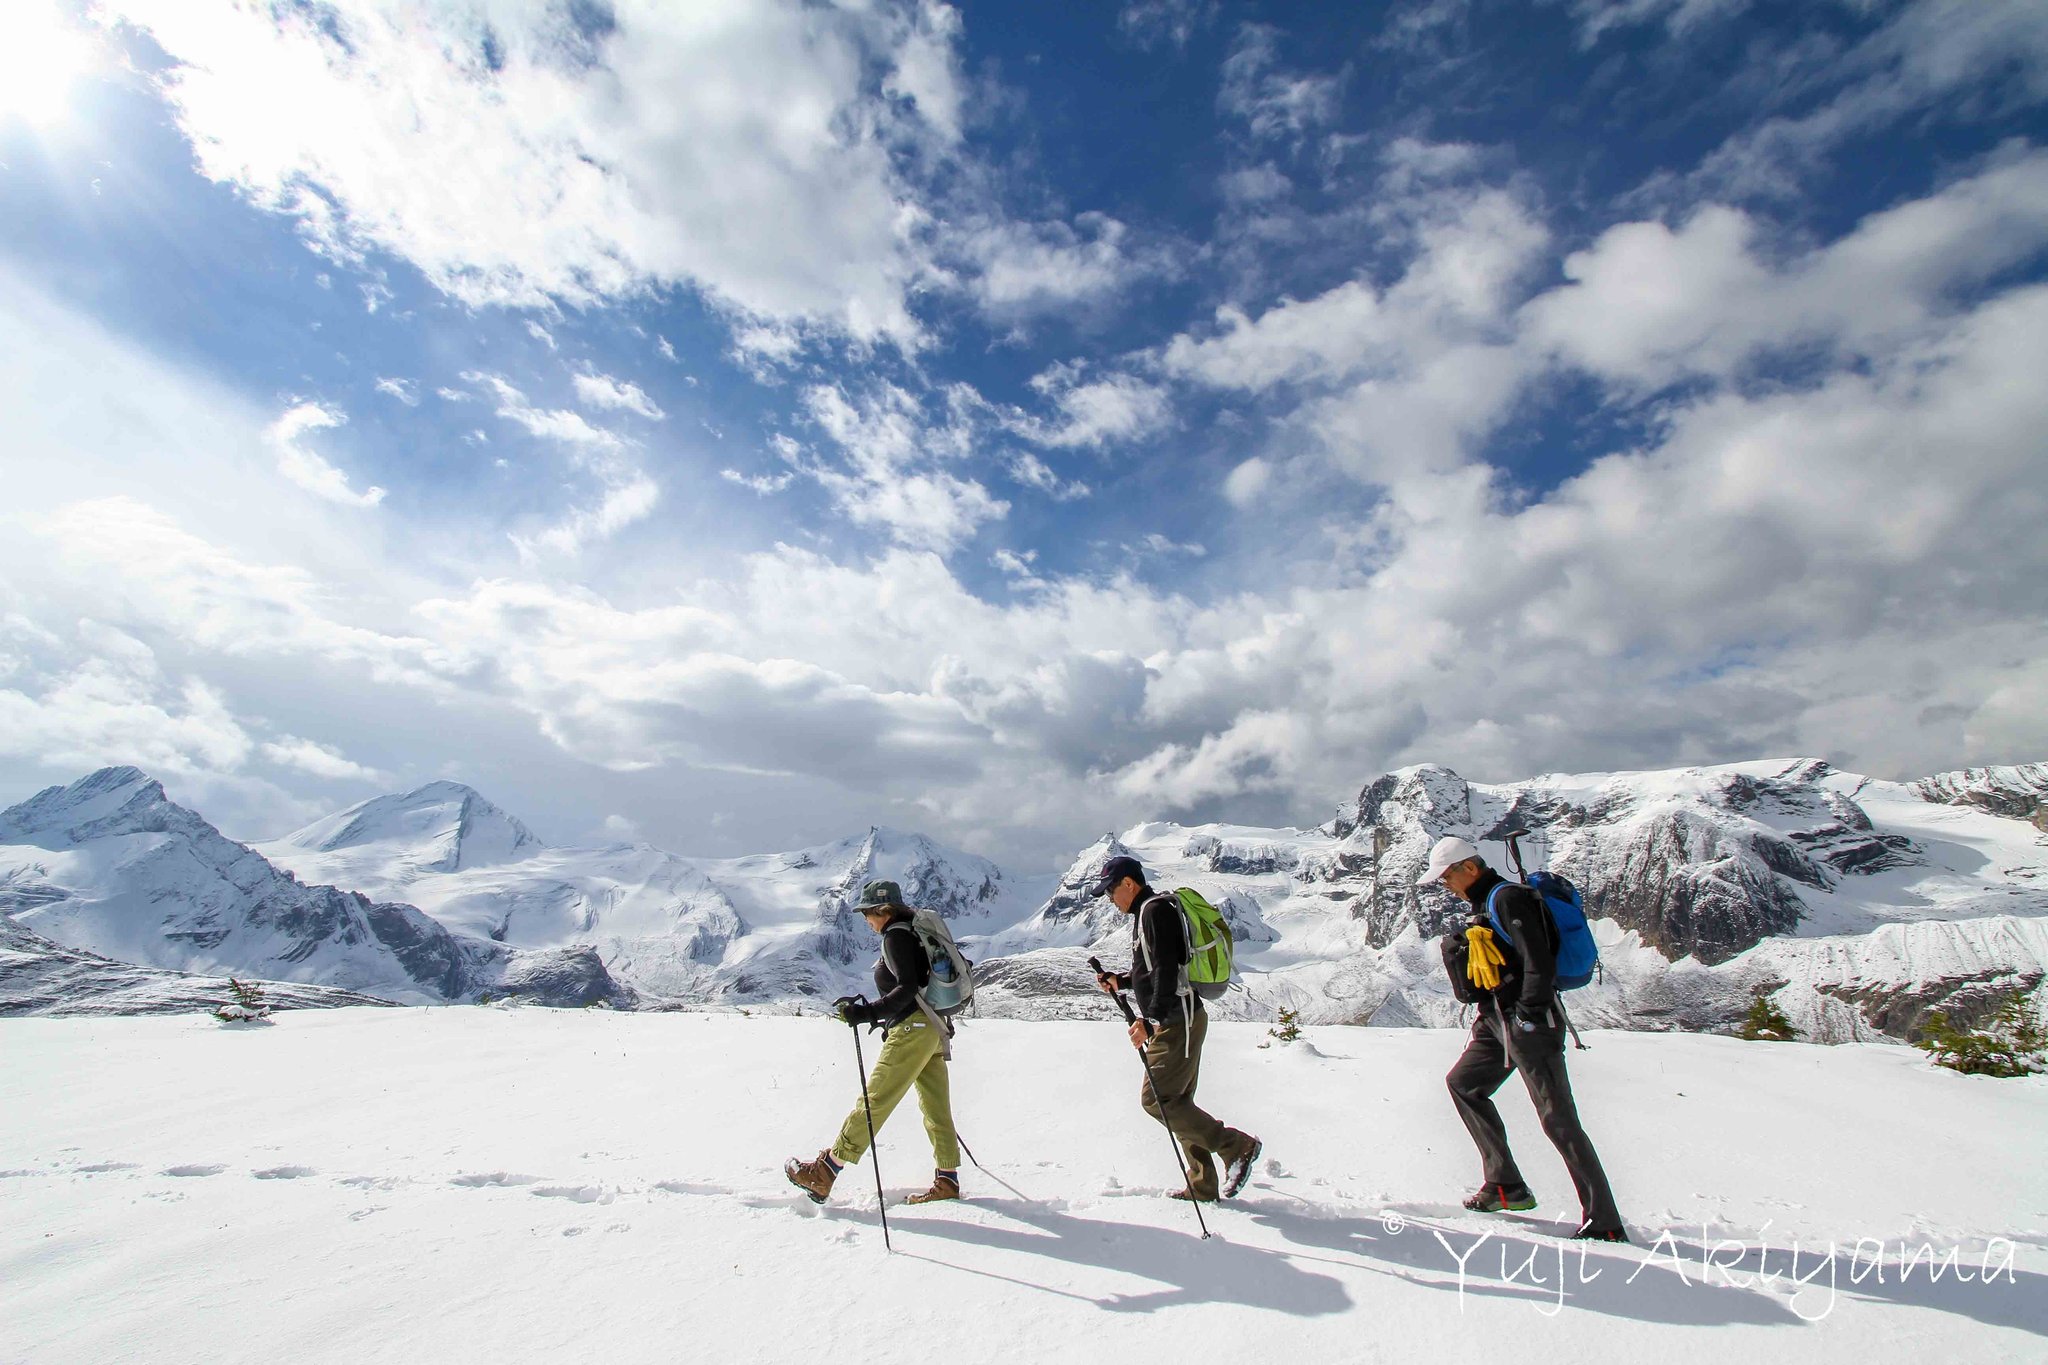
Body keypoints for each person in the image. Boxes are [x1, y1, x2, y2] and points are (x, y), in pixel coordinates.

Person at [1424, 836, 1627, 1242]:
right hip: (1496, 1020)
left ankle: (1604, 1221)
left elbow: (1538, 960)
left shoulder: (1507, 899)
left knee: (1558, 1117)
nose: (1444, 884)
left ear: (1469, 867)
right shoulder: (1483, 904)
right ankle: (1505, 1186)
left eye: (1446, 876)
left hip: (1526, 1020)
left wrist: (1530, 1013)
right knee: (1464, 1084)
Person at [1091, 854, 1262, 1203]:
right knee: (1178, 1101)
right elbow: (1155, 969)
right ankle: (1202, 1185)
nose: (1110, 898)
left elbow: (1168, 968)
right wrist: (1121, 981)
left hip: (1176, 1019)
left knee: (1157, 1100)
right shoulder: (1148, 912)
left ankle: (1236, 1147)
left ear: (1128, 883)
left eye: (1111, 890)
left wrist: (1150, 1020)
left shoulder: (1154, 911)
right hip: (1176, 1016)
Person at [785, 880, 961, 1206]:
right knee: (936, 1107)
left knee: (874, 1101)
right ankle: (947, 1179)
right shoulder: (911, 932)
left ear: (883, 910)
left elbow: (906, 988)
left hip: (912, 1031)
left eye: (867, 912)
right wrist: (881, 1014)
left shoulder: (895, 935)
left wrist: (865, 1013)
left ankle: (825, 1172)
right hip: (932, 1029)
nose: (866, 919)